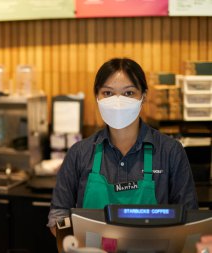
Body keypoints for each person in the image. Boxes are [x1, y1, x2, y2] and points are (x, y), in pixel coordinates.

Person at [48, 58, 198, 236]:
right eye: (108, 93)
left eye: (128, 93)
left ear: (143, 97)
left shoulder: (170, 152)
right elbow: (58, 216)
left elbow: (190, 220)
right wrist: (75, 242)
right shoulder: (79, 153)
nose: (118, 102)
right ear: (97, 96)